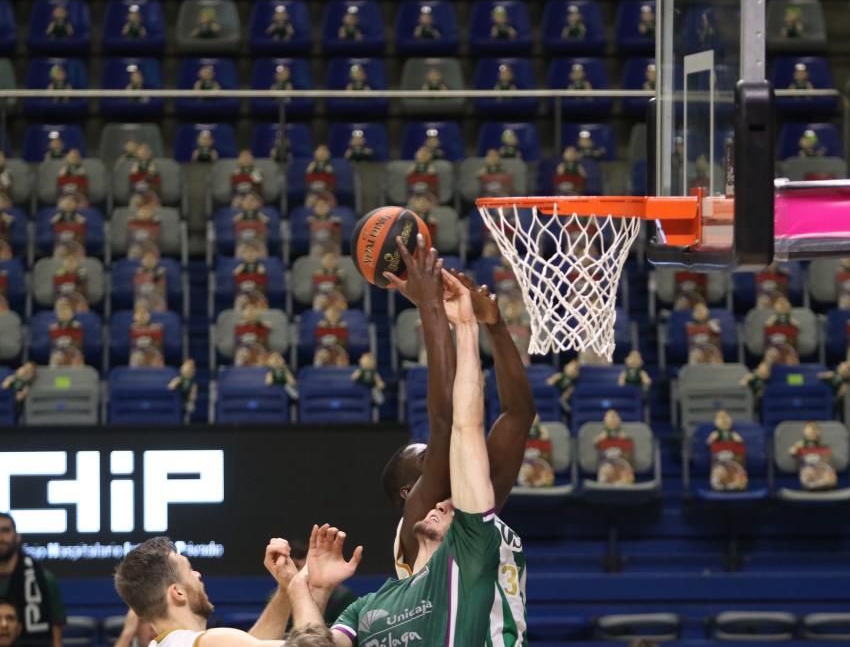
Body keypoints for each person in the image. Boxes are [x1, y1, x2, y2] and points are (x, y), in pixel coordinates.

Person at [326, 271, 506, 645]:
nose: (443, 499)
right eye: (426, 467)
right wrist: (311, 590)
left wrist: (465, 325)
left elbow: (463, 426)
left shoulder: (468, 557)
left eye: (455, 508)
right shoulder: (364, 607)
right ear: (409, 493)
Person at [380, 235, 535, 645]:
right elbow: (446, 420)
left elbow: (519, 415)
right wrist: (429, 305)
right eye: (425, 456)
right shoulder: (416, 524)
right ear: (408, 490)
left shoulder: (474, 511)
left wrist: (494, 325)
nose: (437, 452)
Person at [114, 533, 328, 647]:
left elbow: (252, 643)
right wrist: (299, 584)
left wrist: (284, 590)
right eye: (189, 570)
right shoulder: (210, 642)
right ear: (177, 592)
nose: (198, 575)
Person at [0, 514, 65, 647]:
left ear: (17, 537)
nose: (0, 537)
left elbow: (56, 641)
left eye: (6, 530)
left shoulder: (44, 579)